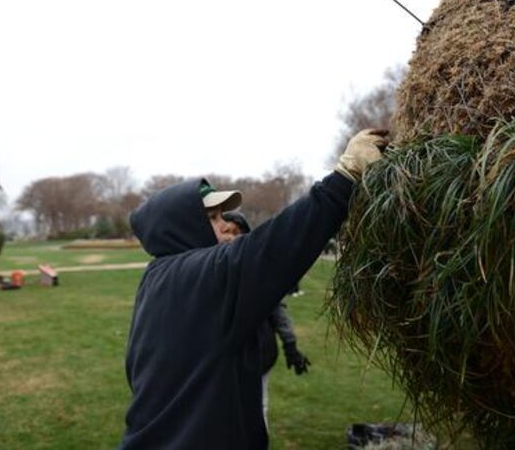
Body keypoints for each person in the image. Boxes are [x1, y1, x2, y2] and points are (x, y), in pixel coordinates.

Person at [119, 128, 388, 449]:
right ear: (180, 226)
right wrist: (345, 177)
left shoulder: (158, 278)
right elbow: (276, 246)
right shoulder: (202, 277)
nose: (224, 225)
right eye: (212, 218)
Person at [222, 210, 311, 428]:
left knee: (257, 407)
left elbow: (278, 311)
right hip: (223, 356)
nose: (230, 237)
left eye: (236, 232)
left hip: (259, 352)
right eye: (226, 231)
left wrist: (290, 345)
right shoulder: (206, 269)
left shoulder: (258, 271)